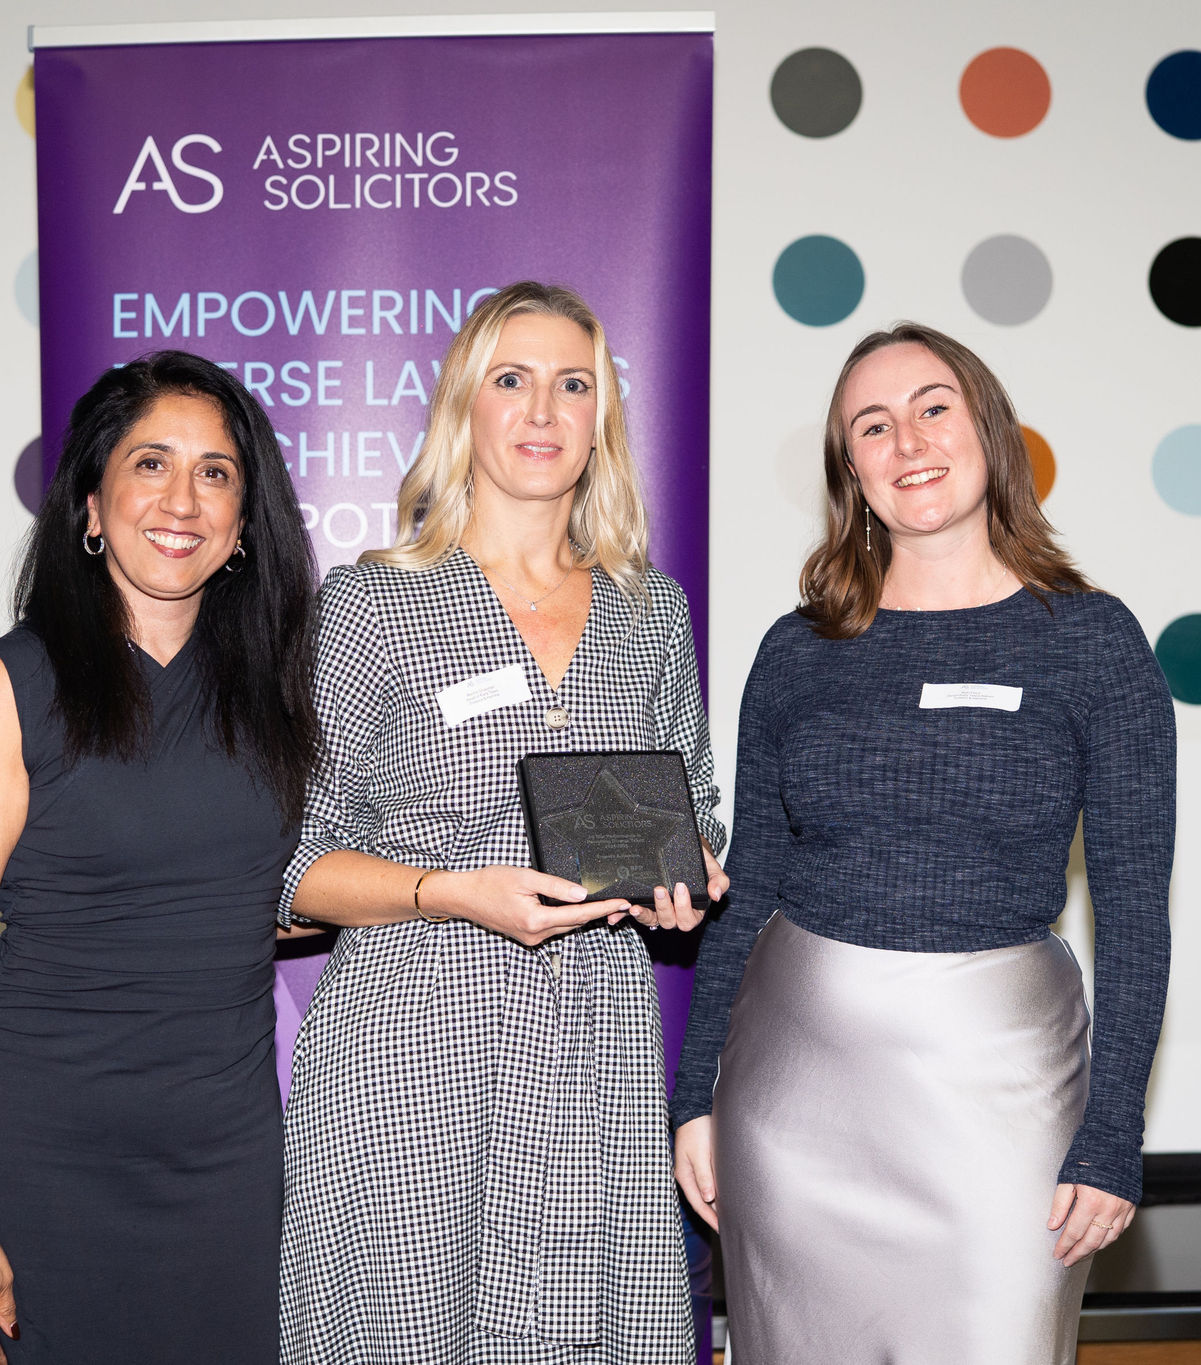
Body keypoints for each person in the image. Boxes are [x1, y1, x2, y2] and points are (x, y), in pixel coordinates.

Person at [673, 323, 1176, 1365]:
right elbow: (751, 881)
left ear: (987, 428)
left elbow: (1133, 909)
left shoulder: (1092, 642)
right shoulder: (796, 650)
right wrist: (693, 1099)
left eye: (932, 408)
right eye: (872, 425)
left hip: (1001, 1097)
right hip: (792, 1096)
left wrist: (1113, 1136)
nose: (906, 441)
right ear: (849, 470)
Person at [277, 281, 727, 1365]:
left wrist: (686, 877)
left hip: (597, 1051)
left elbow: (697, 811)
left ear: (601, 416)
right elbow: (289, 862)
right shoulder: (373, 603)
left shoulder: (649, 610)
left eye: (573, 385)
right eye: (510, 380)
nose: (541, 411)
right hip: (411, 1043)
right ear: (462, 408)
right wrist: (451, 893)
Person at [0, 351, 319, 1364]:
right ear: (91, 504)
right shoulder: (13, 687)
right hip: (37, 1160)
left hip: (223, 1169)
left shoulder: (277, 693)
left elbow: (259, 890)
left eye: (216, 473)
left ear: (244, 524)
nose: (183, 500)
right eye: (150, 464)